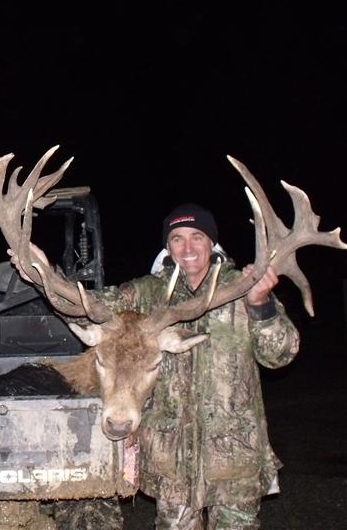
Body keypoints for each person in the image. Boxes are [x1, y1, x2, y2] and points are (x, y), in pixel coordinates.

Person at [95, 203, 299, 529]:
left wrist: (261, 306)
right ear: (167, 246)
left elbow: (281, 355)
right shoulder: (146, 293)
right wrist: (41, 268)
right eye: (177, 238)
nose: (187, 247)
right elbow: (89, 306)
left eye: (197, 237)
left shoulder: (243, 286)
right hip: (170, 459)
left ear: (211, 243)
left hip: (233, 456)